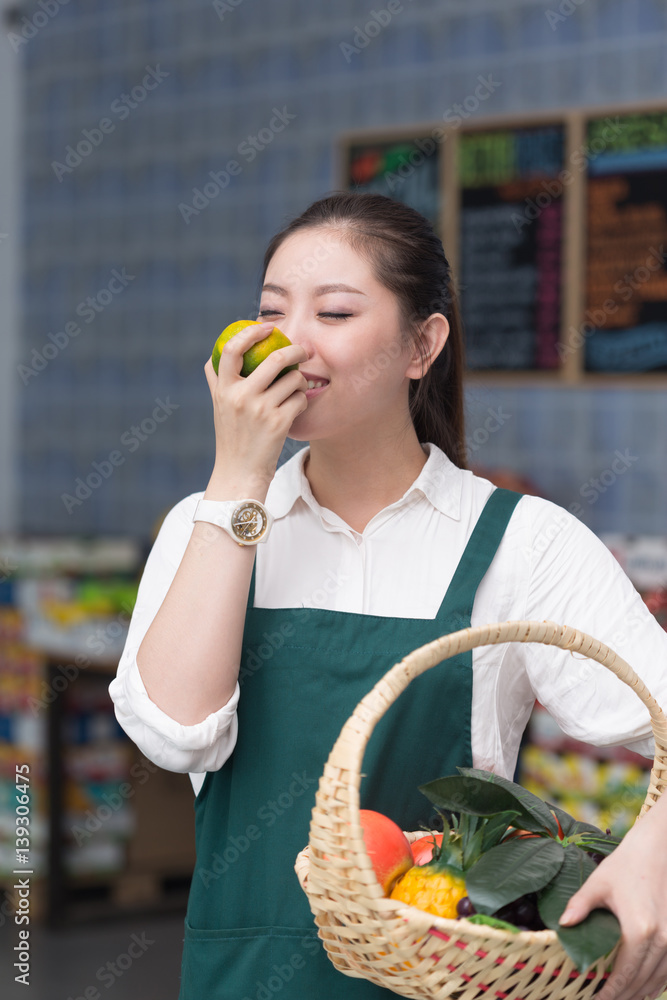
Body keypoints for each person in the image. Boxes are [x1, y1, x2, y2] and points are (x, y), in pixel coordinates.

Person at [109, 192, 667, 1000]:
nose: (288, 343)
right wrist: (237, 481)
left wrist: (649, 853)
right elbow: (175, 736)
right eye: (270, 312)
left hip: (449, 981)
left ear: (421, 344)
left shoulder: (522, 541)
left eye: (333, 312)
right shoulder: (212, 531)